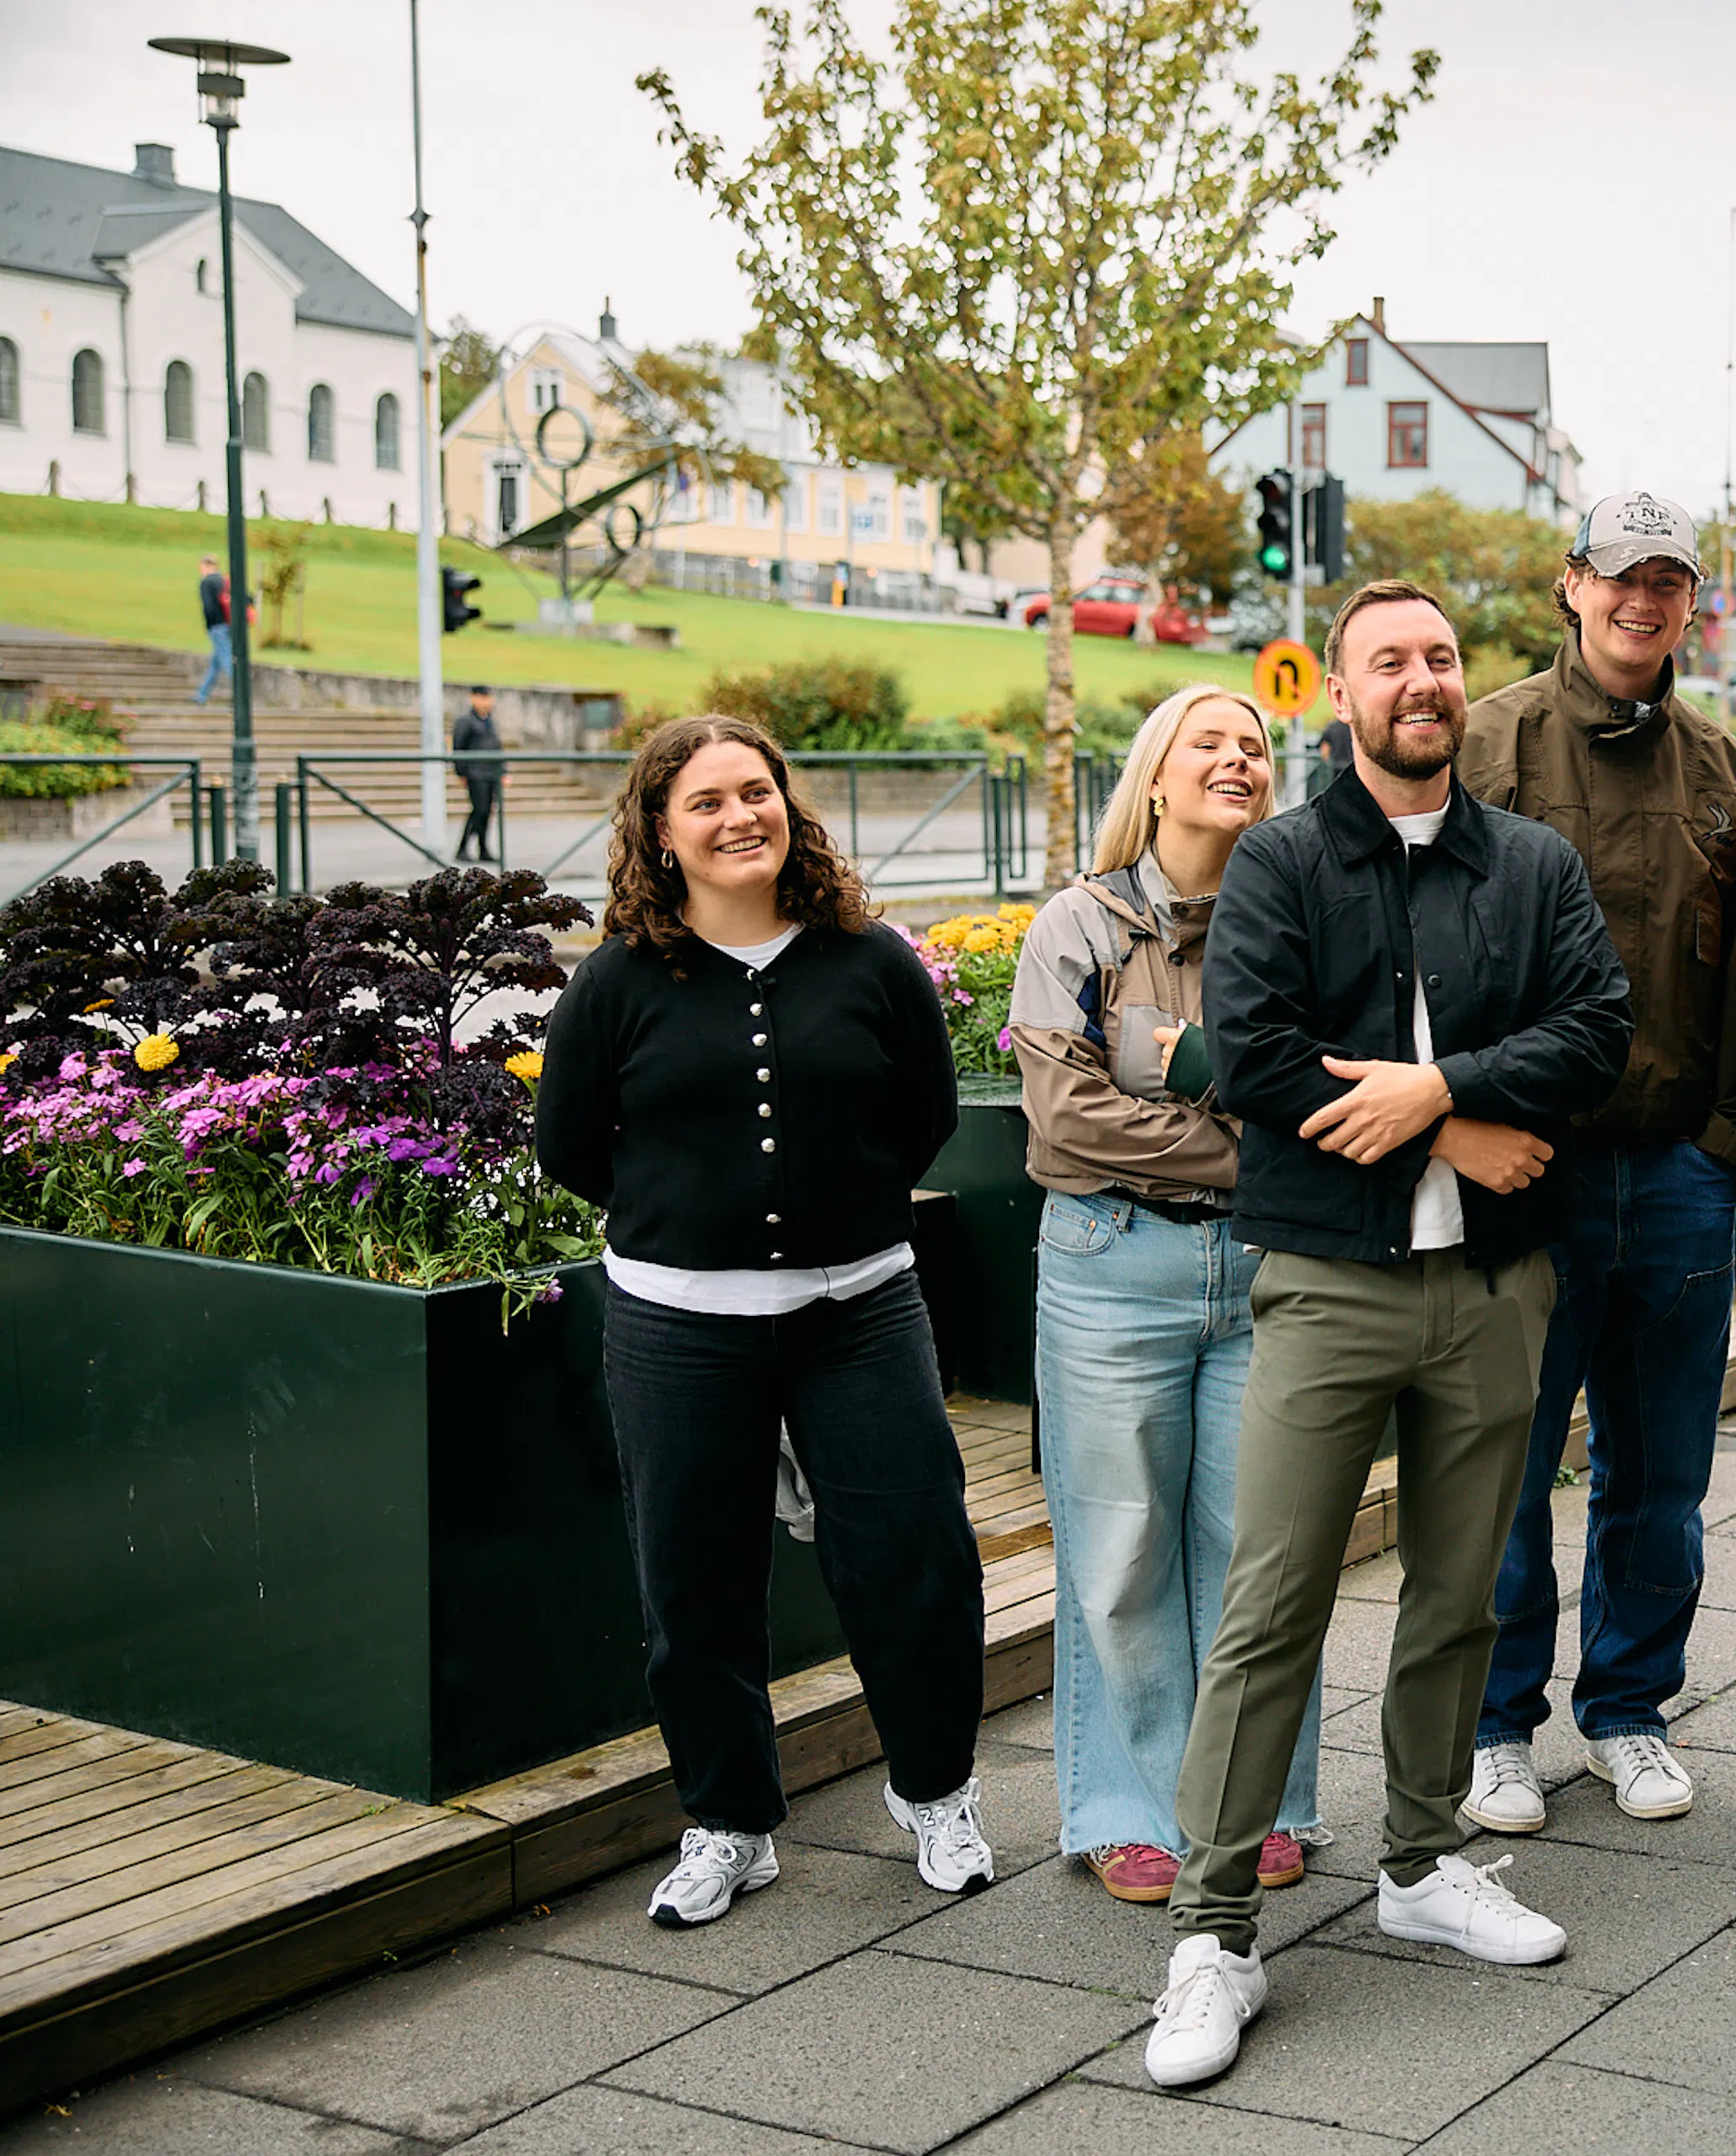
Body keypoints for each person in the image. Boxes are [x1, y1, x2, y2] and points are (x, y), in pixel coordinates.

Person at [1147, 579, 1633, 2089]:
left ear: (1458, 682)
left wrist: (1447, 1093)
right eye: (1387, 662)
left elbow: (1597, 1030)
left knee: (1459, 1589)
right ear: (1340, 692)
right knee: (1273, 1599)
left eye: (1436, 658)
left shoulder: (1534, 863)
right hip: (1332, 1283)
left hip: (1496, 1291)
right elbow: (1265, 1058)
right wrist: (1455, 1137)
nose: (1418, 681)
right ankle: (1214, 1927)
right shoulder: (1284, 859)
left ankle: (1422, 1865)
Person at [534, 715, 989, 1929]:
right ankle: (731, 1819)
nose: (741, 815)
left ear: (790, 806)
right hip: (679, 1329)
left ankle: (935, 1788)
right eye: (707, 801)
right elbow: (571, 1145)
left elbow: (926, 1111)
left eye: (759, 790)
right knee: (694, 1580)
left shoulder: (870, 959)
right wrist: (693, 1225)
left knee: (916, 1558)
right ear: (658, 831)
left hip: (863, 1312)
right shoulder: (617, 982)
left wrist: (843, 1211)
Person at [1455, 492, 1736, 1835]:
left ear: (1693, 600)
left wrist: (1728, 1142)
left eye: (1670, 579)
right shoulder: (1487, 744)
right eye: (1620, 574)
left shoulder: (1727, 769)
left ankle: (1631, 1709)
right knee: (1508, 1465)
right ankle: (1497, 1724)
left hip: (1681, 1172)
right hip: (1529, 1171)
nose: (1643, 599)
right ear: (1572, 583)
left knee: (1662, 1472)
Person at [1006, 685, 1318, 1906]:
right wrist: (1255, 1138)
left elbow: (1325, 1078)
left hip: (1265, 1267)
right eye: (1212, 743)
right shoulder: (1076, 927)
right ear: (1158, 774)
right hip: (1110, 1265)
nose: (1237, 758)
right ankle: (1127, 1808)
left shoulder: (1298, 924)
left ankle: (1264, 1802)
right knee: (1123, 1544)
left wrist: (1197, 1100)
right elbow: (1064, 1118)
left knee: (1261, 1548)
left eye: (1253, 746)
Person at [452, 686, 506, 864]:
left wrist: (503, 771)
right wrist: (461, 772)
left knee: (487, 812)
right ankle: (463, 847)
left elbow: (497, 748)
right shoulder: (466, 722)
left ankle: (483, 848)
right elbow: (459, 748)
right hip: (476, 773)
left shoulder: (490, 722)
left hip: (491, 773)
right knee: (478, 811)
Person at [194, 556, 231, 705]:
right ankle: (201, 694)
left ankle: (242, 690)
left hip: (217, 626)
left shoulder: (207, 582)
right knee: (216, 663)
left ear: (207, 566)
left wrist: (209, 624)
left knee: (227, 659)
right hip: (229, 624)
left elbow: (209, 607)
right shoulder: (225, 581)